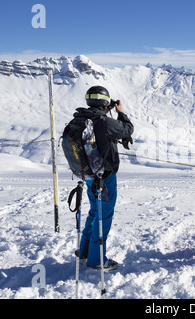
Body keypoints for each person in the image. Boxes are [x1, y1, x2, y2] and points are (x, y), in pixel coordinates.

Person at [77, 85, 134, 271]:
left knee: (94, 211)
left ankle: (84, 251)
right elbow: (127, 129)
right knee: (104, 216)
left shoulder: (82, 119)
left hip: (88, 175)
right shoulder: (104, 122)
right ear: (104, 101)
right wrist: (120, 112)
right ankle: (96, 260)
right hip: (105, 177)